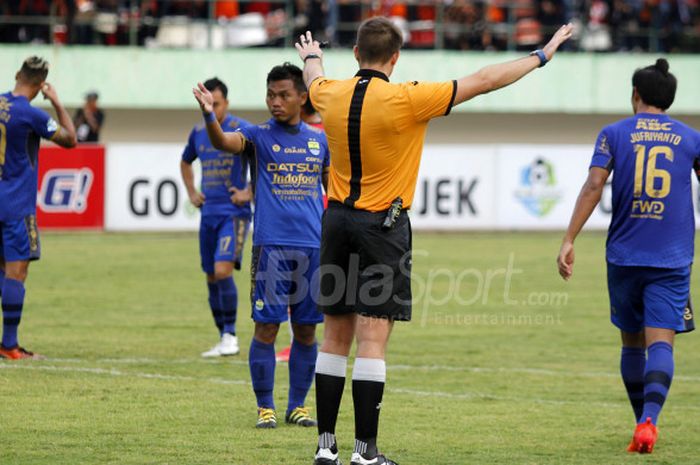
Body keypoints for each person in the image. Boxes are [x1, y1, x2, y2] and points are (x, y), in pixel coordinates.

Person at [295, 17, 573, 465]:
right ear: (396, 58)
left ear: (355, 55)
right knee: (372, 341)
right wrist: (540, 56)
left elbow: (313, 79)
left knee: (334, 338)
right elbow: (483, 81)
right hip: (382, 227)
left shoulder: (329, 92)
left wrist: (311, 55)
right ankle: (364, 452)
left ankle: (325, 447)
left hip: (336, 221)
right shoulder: (408, 98)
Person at [557, 59, 697, 454]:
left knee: (631, 344)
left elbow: (593, 185)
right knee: (661, 345)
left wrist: (569, 238)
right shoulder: (690, 138)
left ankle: (640, 423)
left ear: (635, 95)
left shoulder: (613, 133)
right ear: (669, 99)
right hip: (672, 257)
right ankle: (649, 421)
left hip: (623, 256)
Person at [193, 63, 330, 429]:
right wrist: (210, 116)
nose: (275, 102)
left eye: (284, 94)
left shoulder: (320, 141)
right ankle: (265, 406)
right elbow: (224, 141)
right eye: (271, 94)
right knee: (266, 328)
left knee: (306, 331)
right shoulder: (256, 135)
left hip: (313, 249)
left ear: (303, 97)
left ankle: (297, 405)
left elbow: (334, 189)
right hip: (271, 248)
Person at [0, 56, 77, 359]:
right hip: (16, 205)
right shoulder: (30, 114)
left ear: (18, 74)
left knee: (3, 271)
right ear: (40, 84)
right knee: (16, 273)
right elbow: (71, 139)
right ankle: (9, 345)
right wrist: (56, 102)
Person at [180, 77, 253, 358]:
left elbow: (265, 162)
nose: (212, 107)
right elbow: (185, 161)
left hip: (233, 214)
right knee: (211, 275)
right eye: (207, 102)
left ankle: (231, 334)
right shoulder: (198, 132)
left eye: (217, 103)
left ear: (227, 103)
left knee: (223, 271)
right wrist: (191, 190)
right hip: (208, 214)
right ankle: (223, 334)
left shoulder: (241, 129)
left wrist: (249, 191)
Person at [276, 96, 326, 364]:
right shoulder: (329, 133)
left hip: (308, 222)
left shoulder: (307, 136)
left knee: (298, 288)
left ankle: (298, 343)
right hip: (329, 218)